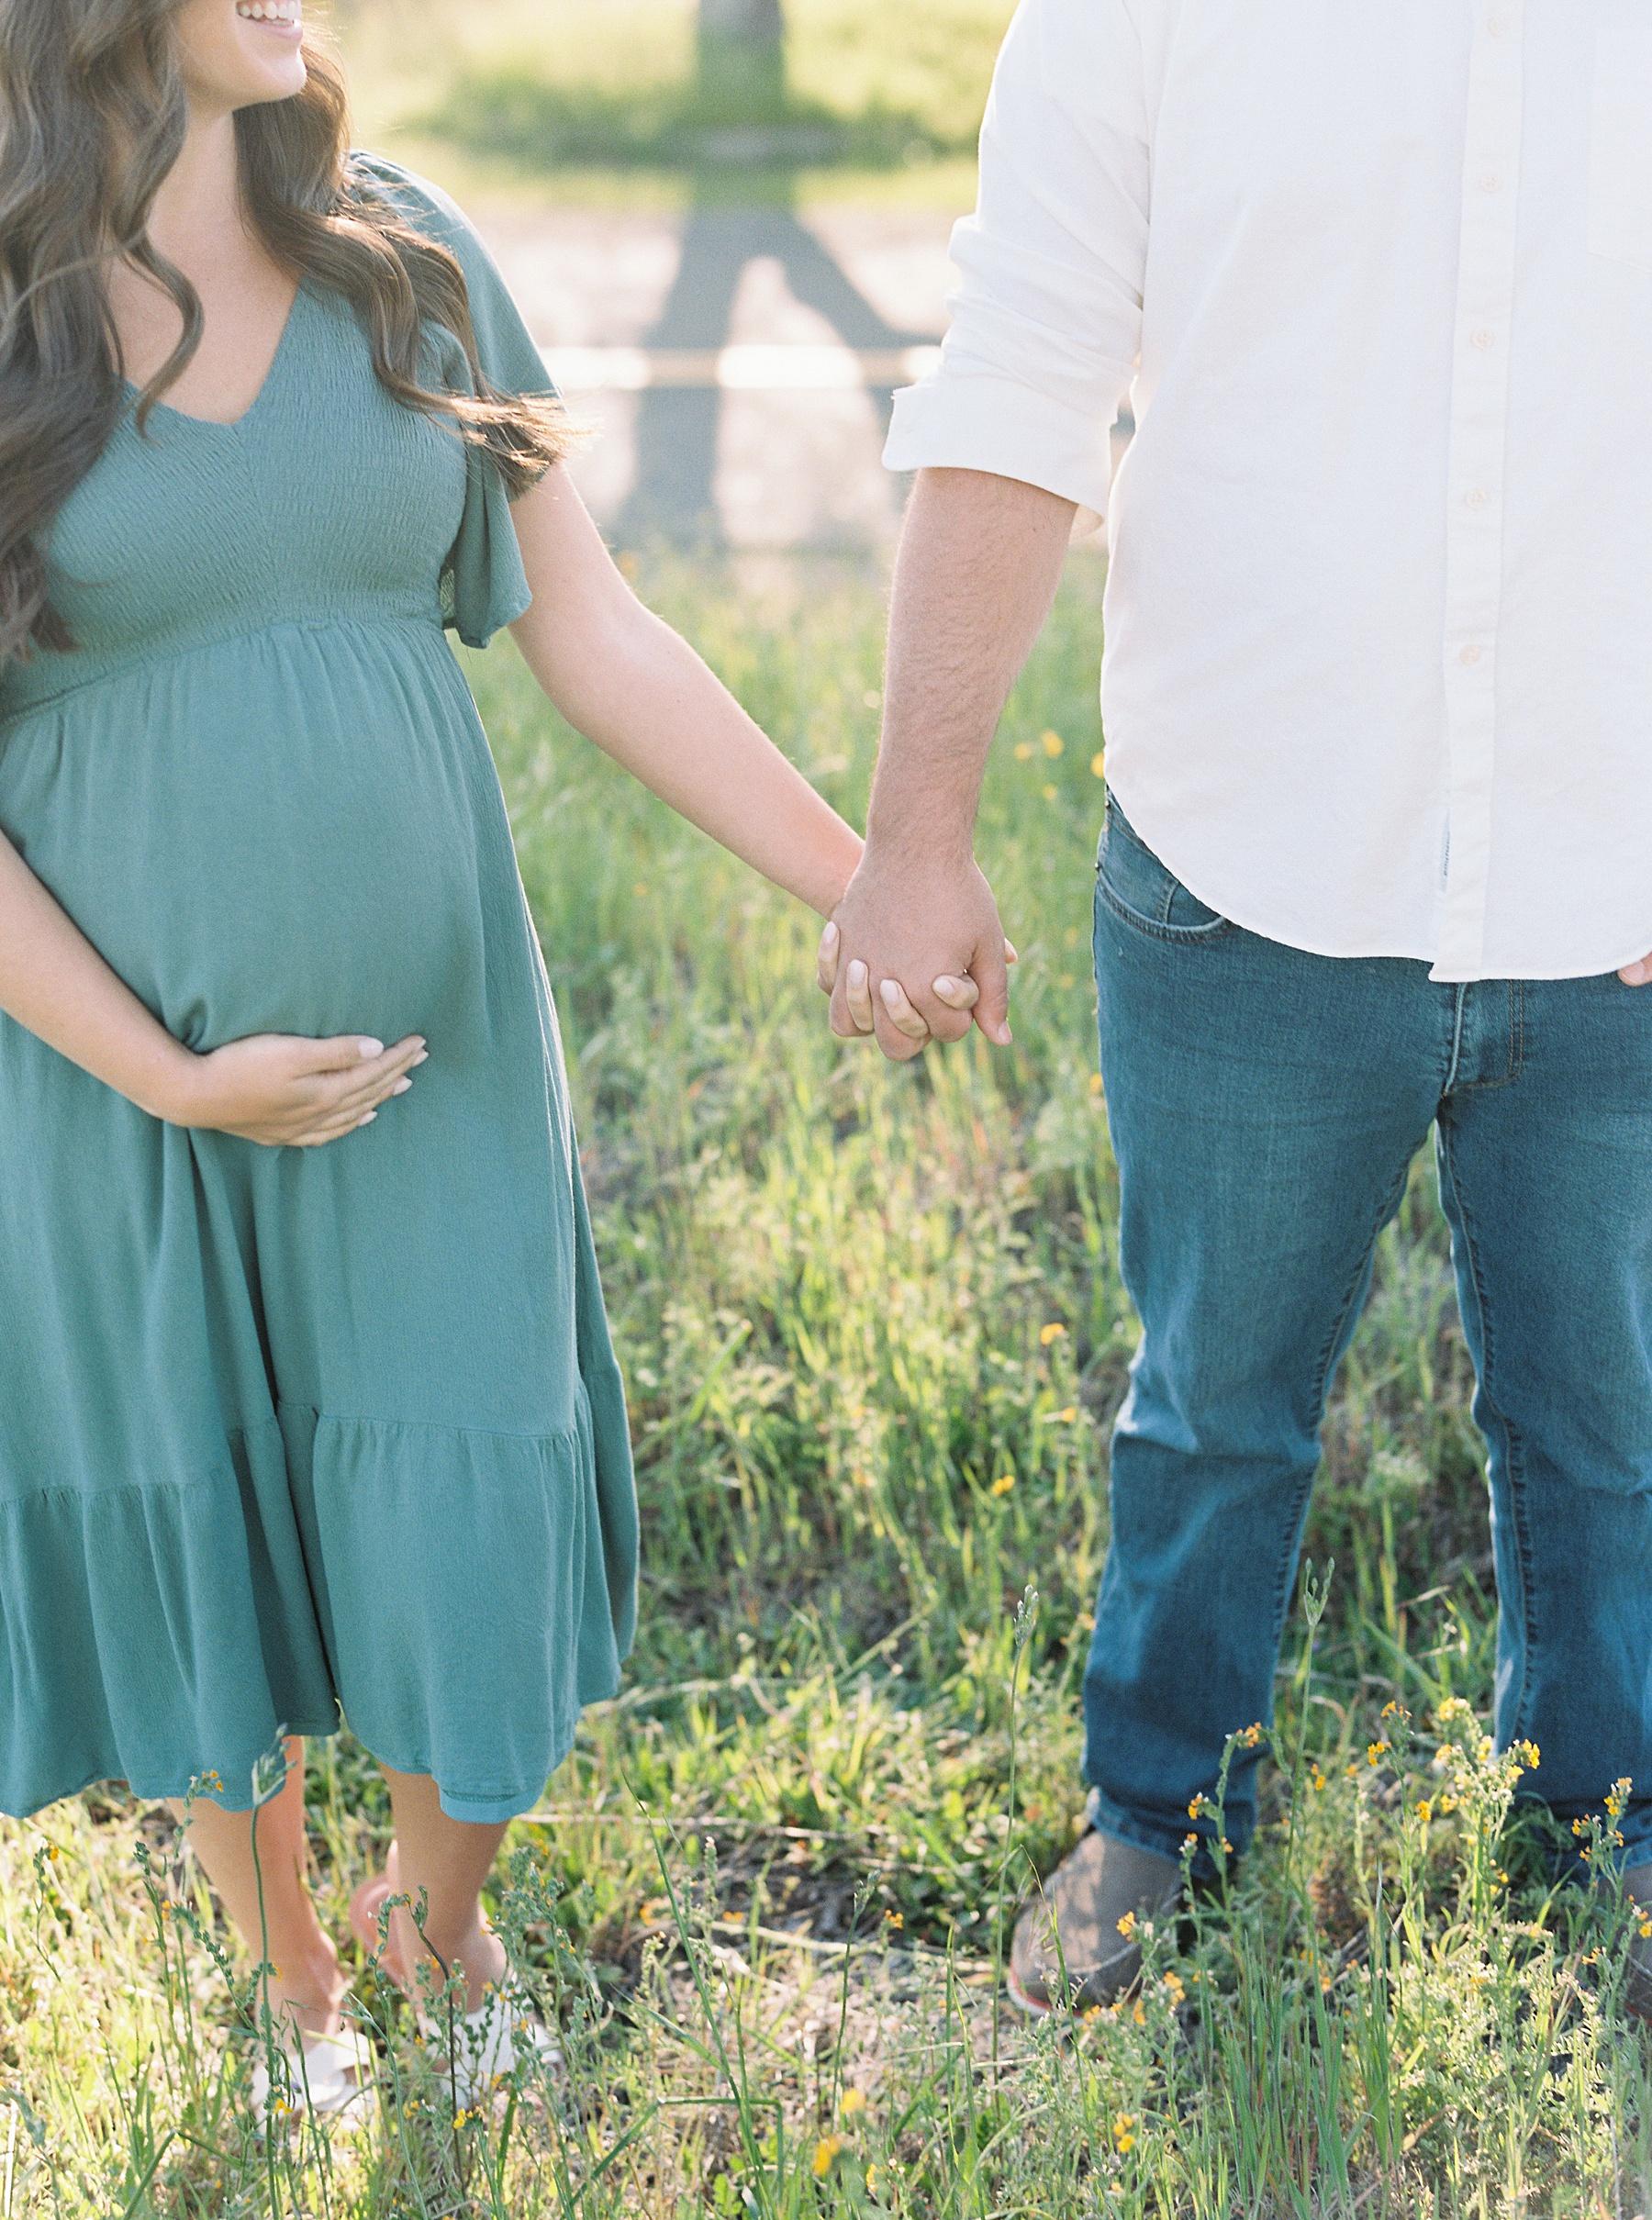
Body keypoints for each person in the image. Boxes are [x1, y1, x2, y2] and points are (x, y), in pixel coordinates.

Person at [0, 0, 865, 2111]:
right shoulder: (14, 335)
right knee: (200, 1500)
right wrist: (168, 1071)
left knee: (472, 1462)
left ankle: (431, 1906)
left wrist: (867, 884)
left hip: (435, 1062)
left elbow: (597, 627)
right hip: (132, 1103)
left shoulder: (410, 260)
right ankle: (291, 1980)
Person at [818, 0, 1652, 2014]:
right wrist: (918, 823)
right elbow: (1021, 371)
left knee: (1615, 1412)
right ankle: (1159, 1809)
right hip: (1246, 853)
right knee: (1211, 1403)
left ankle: (1613, 1825)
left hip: (1608, 876)